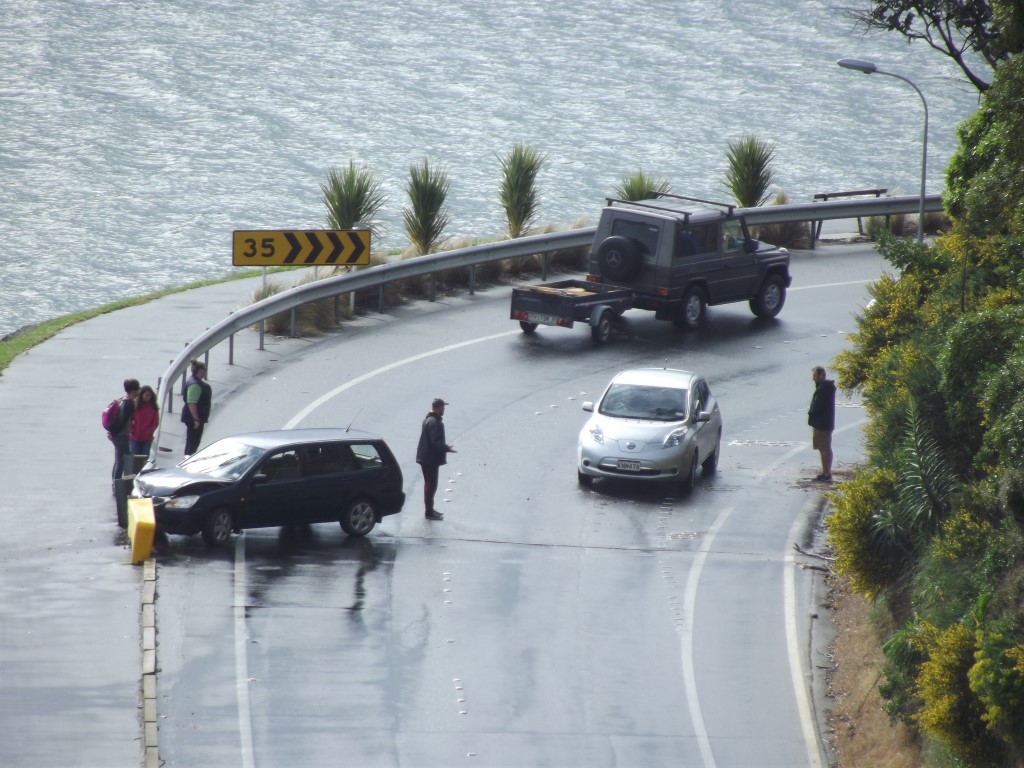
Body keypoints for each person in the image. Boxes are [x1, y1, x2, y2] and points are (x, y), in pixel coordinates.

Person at [416, 397, 456, 521]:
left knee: (429, 485)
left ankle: (430, 510)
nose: (444, 409)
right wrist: (446, 448)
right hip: (430, 459)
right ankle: (429, 512)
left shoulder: (429, 419)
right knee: (431, 486)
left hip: (427, 458)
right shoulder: (434, 422)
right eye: (443, 407)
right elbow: (435, 442)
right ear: (438, 408)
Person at [107, 378, 141, 489]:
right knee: (125, 459)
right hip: (121, 435)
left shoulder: (122, 400)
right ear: (134, 390)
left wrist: (112, 432)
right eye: (138, 389)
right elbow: (122, 422)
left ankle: (115, 483)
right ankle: (119, 485)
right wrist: (114, 433)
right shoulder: (129, 404)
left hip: (117, 435)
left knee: (118, 459)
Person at [808, 365, 836, 482]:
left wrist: (811, 413)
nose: (813, 378)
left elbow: (817, 406)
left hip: (822, 423)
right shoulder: (826, 388)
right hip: (825, 422)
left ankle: (826, 474)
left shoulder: (823, 389)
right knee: (824, 447)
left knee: (824, 448)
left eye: (815, 376)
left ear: (821, 376)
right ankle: (826, 473)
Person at [181, 361, 212, 455]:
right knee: (193, 442)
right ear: (200, 370)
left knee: (192, 441)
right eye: (204, 370)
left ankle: (187, 458)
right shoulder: (195, 385)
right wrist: (196, 419)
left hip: (193, 417)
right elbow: (192, 403)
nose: (205, 372)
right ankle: (187, 461)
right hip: (194, 419)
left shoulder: (194, 381)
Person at [130, 384, 159, 458]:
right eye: (146, 395)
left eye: (150, 395)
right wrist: (132, 430)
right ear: (141, 395)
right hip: (135, 437)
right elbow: (129, 419)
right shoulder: (135, 405)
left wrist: (150, 431)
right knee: (135, 459)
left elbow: (155, 422)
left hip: (147, 438)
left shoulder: (153, 407)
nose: (148, 397)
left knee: (144, 459)